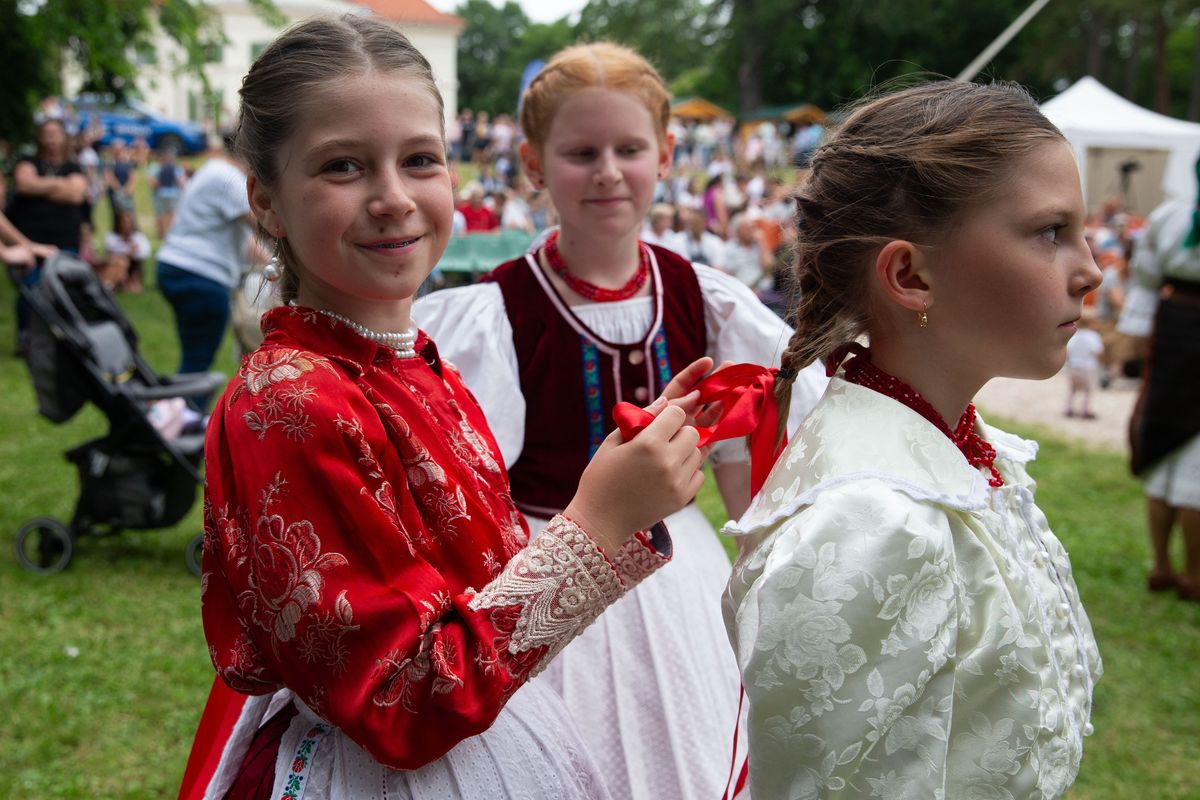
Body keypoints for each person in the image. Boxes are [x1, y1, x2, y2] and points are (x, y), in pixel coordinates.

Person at [182, 15, 712, 800]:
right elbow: (402, 704)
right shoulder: (285, 401)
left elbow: (482, 595)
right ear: (265, 199)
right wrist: (596, 523)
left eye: (420, 160)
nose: (394, 198)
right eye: (343, 167)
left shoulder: (416, 362)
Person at [415, 42, 827, 800]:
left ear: (665, 157)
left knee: (698, 758)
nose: (607, 170)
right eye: (581, 152)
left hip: (685, 578)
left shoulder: (705, 298)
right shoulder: (497, 314)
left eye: (628, 149)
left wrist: (760, 577)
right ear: (535, 166)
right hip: (550, 568)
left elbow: (739, 457)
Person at [724, 81, 1103, 799]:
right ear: (911, 274)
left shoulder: (951, 451)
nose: (1090, 269)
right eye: (1051, 233)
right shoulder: (874, 520)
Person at [1126, 181, 1200, 600]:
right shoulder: (1177, 213)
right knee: (1190, 466)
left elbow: (1146, 277)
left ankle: (1163, 566)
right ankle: (1191, 574)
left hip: (1170, 328)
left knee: (1166, 454)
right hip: (1172, 334)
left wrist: (1138, 337)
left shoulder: (1173, 212)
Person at [155, 134, 256, 392]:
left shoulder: (213, 171)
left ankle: (178, 415)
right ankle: (184, 420)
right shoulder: (229, 179)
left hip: (179, 268)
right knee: (198, 362)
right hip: (201, 275)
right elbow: (265, 224)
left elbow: (249, 243)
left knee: (194, 355)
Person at [7, 117, 88, 354]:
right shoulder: (28, 161)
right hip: (29, 240)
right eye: (47, 133)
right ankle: (27, 337)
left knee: (66, 291)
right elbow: (24, 185)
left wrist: (40, 186)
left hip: (65, 240)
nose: (51, 139)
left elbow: (76, 195)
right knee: (31, 289)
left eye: (56, 133)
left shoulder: (74, 167)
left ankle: (64, 339)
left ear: (64, 137)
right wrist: (60, 184)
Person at [99, 208, 151, 292]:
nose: (126, 225)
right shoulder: (111, 237)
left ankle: (128, 282)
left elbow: (144, 253)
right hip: (116, 263)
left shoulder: (138, 237)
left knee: (125, 261)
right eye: (124, 222)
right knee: (120, 261)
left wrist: (129, 253)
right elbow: (111, 250)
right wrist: (129, 252)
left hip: (133, 265)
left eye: (129, 222)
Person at [1064, 310, 1103, 418]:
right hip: (1088, 368)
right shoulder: (1093, 336)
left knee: (1072, 389)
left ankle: (1069, 408)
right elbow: (1097, 351)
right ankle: (1085, 410)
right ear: (1093, 323)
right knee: (1088, 389)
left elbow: (1068, 350)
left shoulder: (1073, 336)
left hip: (1073, 366)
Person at [148, 149, 186, 239]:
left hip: (161, 193)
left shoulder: (159, 168)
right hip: (173, 194)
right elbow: (180, 182)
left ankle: (162, 234)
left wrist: (161, 185)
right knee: (171, 214)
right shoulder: (175, 168)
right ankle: (168, 234)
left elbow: (153, 182)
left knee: (162, 214)